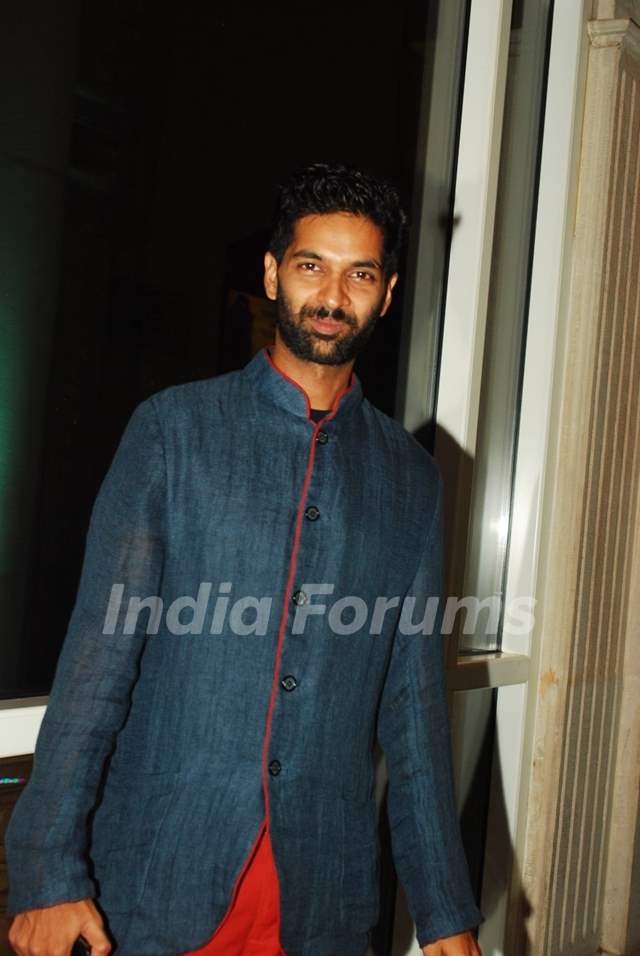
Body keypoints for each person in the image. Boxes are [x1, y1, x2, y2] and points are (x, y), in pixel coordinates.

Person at [6, 162, 484, 956]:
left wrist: (445, 914)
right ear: (272, 274)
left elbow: (413, 709)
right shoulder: (173, 432)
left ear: (388, 293)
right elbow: (97, 662)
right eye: (311, 266)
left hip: (322, 903)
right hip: (157, 886)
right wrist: (48, 872)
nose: (333, 296)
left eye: (359, 273)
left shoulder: (410, 479)